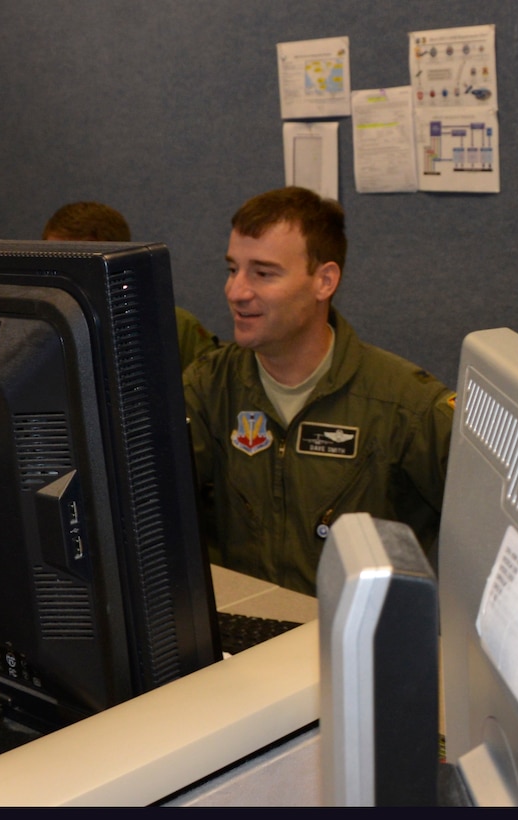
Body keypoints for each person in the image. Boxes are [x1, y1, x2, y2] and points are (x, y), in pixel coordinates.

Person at [182, 186, 455, 596]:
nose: (236, 291)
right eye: (232, 269)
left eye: (263, 273)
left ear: (324, 281)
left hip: (350, 643)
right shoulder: (208, 388)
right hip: (240, 639)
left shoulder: (405, 406)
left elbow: (492, 529)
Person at [43, 200, 218, 371]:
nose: (62, 281)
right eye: (53, 268)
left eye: (76, 269)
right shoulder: (39, 332)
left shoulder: (173, 326)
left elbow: (209, 392)